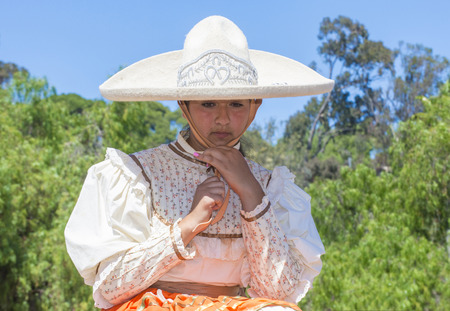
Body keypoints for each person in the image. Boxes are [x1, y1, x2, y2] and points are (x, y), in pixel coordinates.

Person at [65, 16, 334, 311]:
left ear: (255, 105)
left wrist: (251, 192)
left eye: (236, 104)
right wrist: (189, 224)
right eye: (207, 104)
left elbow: (278, 293)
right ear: (184, 105)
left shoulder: (270, 185)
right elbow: (111, 286)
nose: (222, 118)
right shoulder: (137, 174)